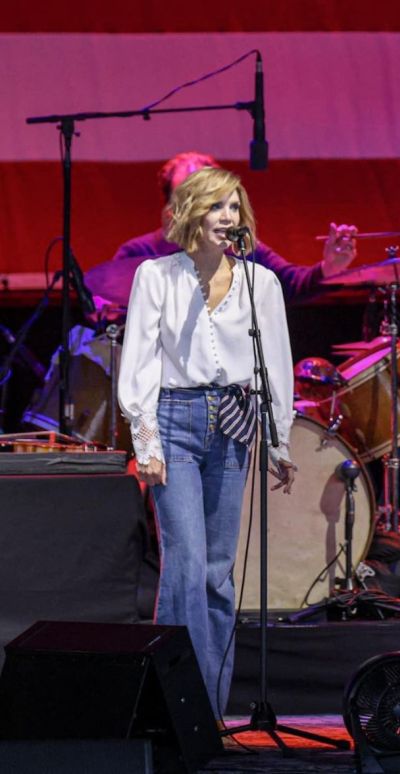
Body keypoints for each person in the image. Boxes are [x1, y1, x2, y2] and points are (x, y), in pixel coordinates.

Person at [118, 166, 296, 715]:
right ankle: (172, 706)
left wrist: (277, 440)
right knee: (188, 563)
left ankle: (209, 712)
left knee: (219, 573)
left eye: (235, 208)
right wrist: (145, 441)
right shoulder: (156, 276)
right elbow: (140, 363)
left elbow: (277, 367)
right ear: (191, 213)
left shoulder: (258, 282)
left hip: (234, 422)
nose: (227, 217)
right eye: (217, 206)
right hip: (174, 419)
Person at [110, 151, 357, 302]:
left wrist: (330, 268)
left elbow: (290, 284)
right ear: (170, 207)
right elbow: (109, 314)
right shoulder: (137, 254)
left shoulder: (241, 246)